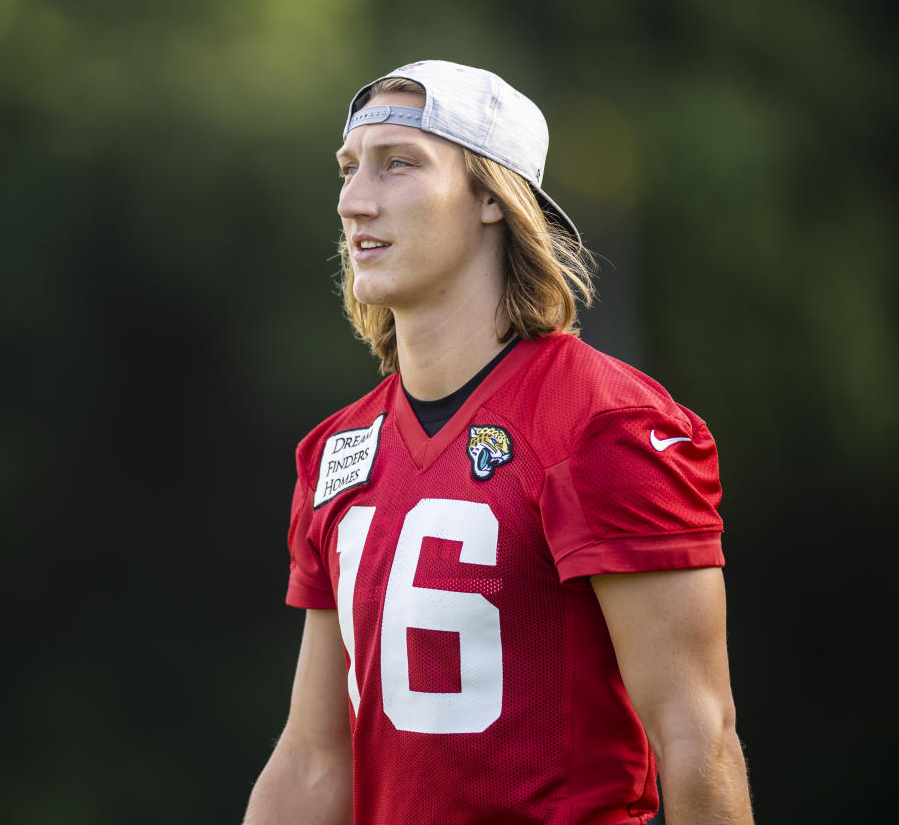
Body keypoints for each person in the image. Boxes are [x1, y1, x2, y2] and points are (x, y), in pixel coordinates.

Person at [242, 61, 753, 824]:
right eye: (349, 169)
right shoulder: (338, 450)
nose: (353, 201)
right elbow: (317, 757)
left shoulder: (603, 423)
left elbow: (697, 734)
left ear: (491, 195)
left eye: (398, 165)